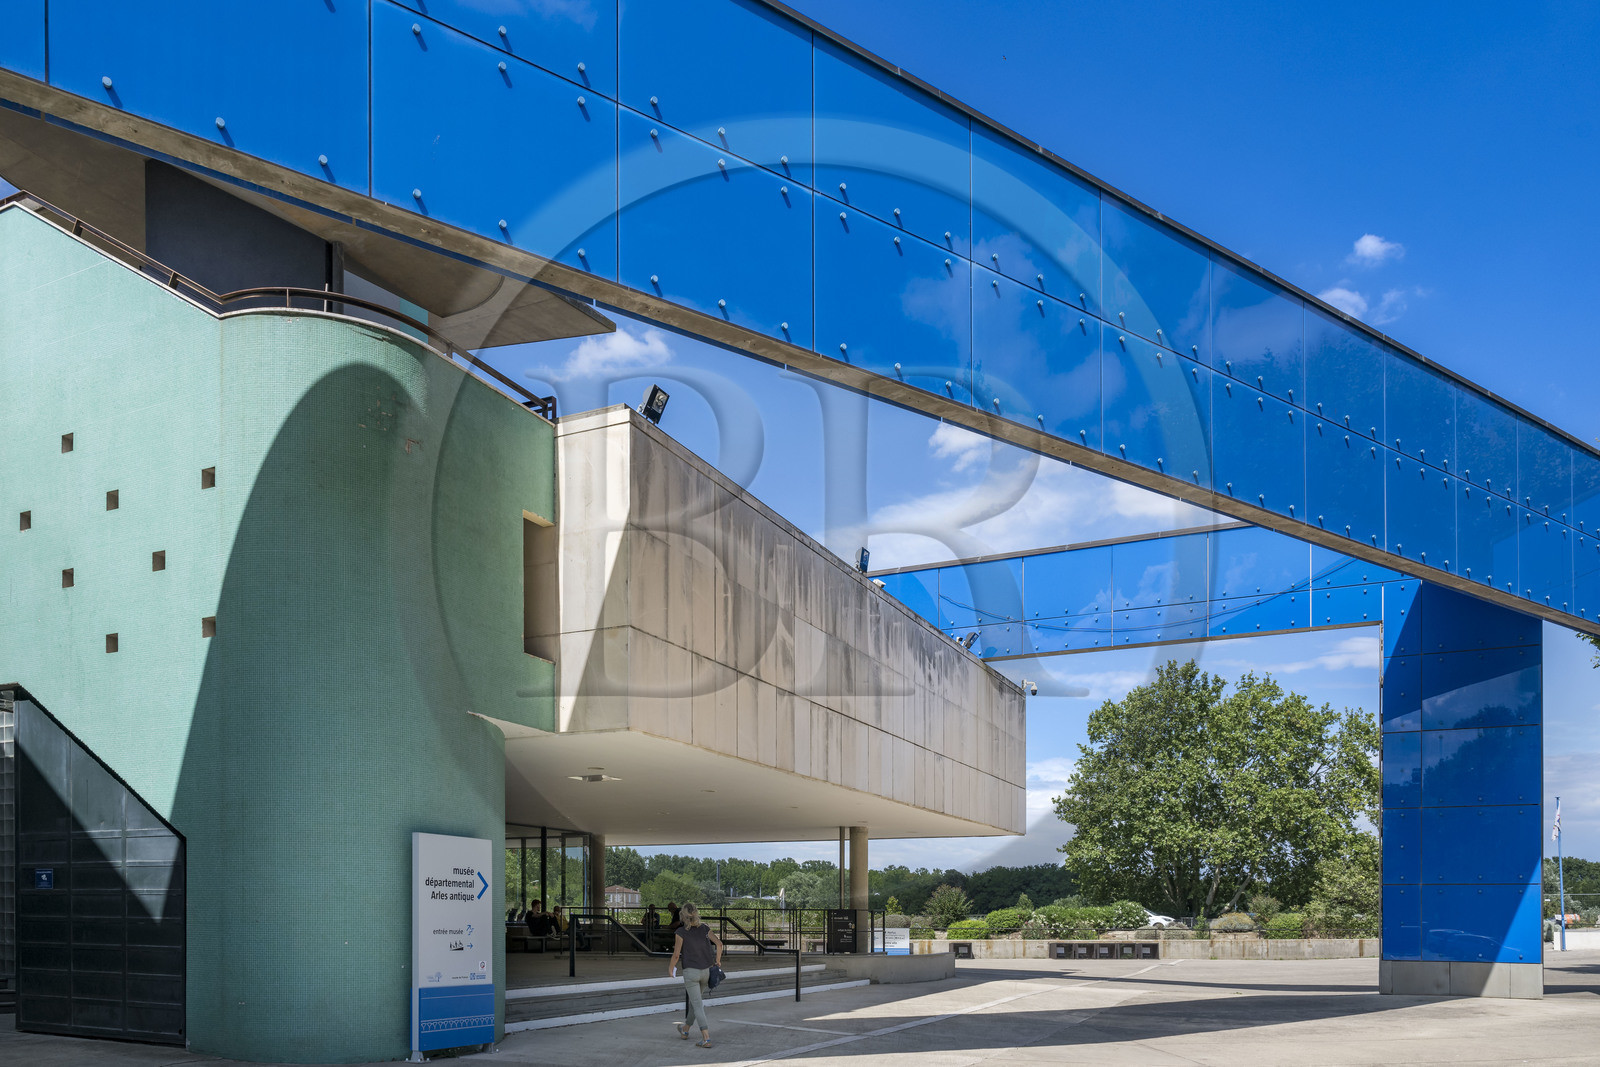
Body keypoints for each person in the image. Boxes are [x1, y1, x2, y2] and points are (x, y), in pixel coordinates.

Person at [667, 903, 723, 1048]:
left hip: (691, 972)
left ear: (683, 916)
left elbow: (676, 955)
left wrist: (671, 968)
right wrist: (717, 961)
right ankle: (685, 1030)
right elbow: (719, 944)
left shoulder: (680, 932)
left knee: (697, 1004)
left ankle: (706, 1038)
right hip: (706, 971)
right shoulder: (704, 928)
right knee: (694, 1003)